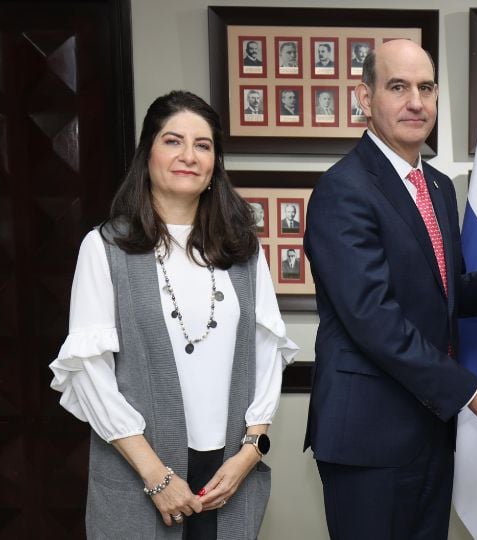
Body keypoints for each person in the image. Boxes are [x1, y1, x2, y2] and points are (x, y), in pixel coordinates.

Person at [303, 39, 477, 540]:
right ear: (365, 98)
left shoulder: (438, 187)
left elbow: (433, 294)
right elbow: (373, 317)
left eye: (426, 88)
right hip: (369, 437)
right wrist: (468, 391)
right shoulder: (344, 189)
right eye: (398, 87)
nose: (416, 102)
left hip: (430, 430)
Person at [48, 91, 298, 538]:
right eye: (173, 141)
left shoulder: (243, 250)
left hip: (228, 476)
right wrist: (157, 476)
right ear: (148, 154)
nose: (188, 156)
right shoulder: (105, 248)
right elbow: (90, 374)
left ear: (214, 165)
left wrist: (248, 453)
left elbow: (267, 354)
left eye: (203, 145)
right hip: (140, 473)